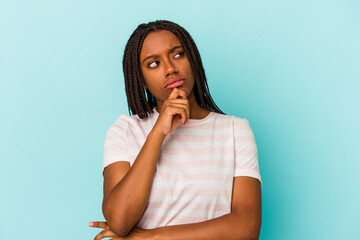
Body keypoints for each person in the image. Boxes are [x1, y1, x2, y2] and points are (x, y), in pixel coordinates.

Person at [89, 20, 262, 240]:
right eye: (153, 64)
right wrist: (157, 134)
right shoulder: (125, 130)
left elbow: (246, 228)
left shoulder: (235, 131)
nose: (170, 68)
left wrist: (149, 237)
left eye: (178, 55)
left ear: (193, 60)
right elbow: (120, 222)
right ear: (141, 80)